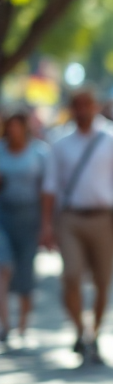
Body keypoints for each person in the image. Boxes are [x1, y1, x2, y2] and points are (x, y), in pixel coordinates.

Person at [40, 87, 113, 365]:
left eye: (87, 105)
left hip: (104, 218)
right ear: (71, 109)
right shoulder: (59, 142)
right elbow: (50, 186)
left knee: (103, 282)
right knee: (71, 276)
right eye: (78, 105)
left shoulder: (112, 138)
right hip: (71, 218)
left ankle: (93, 333)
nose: (83, 110)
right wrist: (46, 225)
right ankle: (79, 329)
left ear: (95, 107)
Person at [0, 111, 49, 346]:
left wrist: (47, 225)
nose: (13, 131)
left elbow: (46, 189)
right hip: (3, 215)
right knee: (3, 268)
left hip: (30, 217)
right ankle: (5, 324)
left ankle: (23, 324)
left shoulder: (39, 152)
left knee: (25, 270)